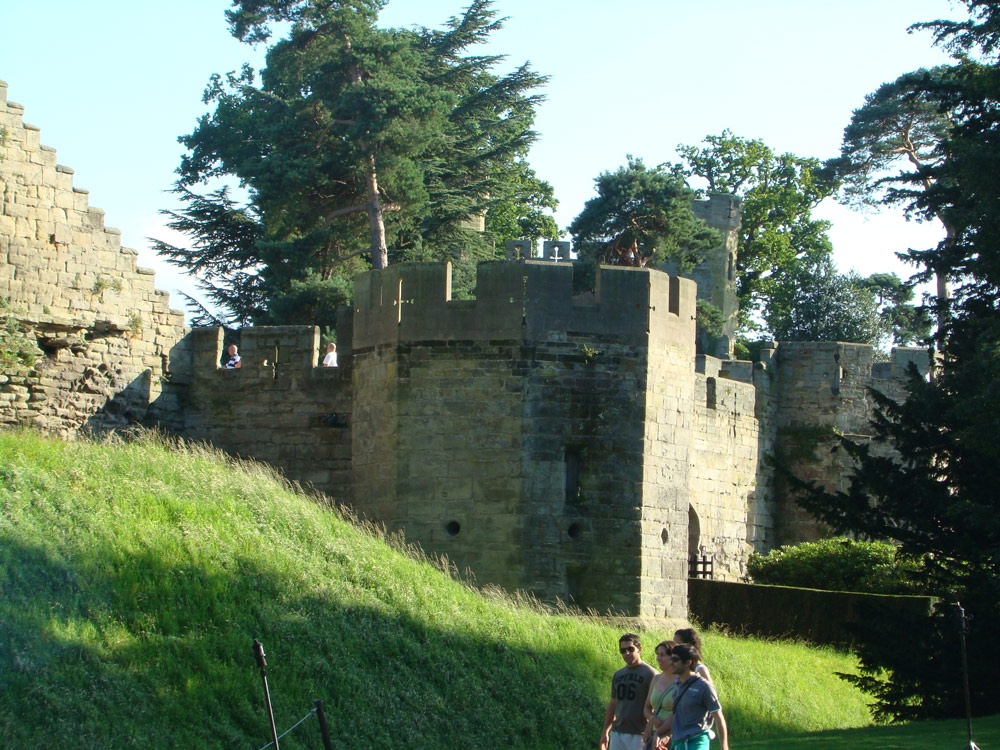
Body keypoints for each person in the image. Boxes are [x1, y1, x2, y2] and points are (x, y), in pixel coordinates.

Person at [664, 644, 728, 750]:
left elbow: (718, 717)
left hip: (697, 741)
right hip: (678, 742)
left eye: (675, 660)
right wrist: (663, 734)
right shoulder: (676, 685)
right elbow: (676, 714)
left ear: (688, 662)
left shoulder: (704, 686)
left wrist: (724, 746)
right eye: (671, 659)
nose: (671, 663)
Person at [600, 633, 657, 750]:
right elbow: (613, 704)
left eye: (630, 649)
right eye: (623, 650)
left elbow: (657, 706)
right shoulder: (618, 674)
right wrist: (605, 731)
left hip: (640, 733)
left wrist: (653, 731)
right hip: (618, 732)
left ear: (639, 649)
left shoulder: (651, 674)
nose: (626, 653)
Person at [643, 641, 676, 750]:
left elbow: (681, 712)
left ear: (673, 657)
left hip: (672, 734)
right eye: (657, 654)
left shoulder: (681, 682)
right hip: (654, 734)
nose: (658, 658)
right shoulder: (656, 679)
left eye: (662, 655)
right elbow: (647, 707)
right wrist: (652, 718)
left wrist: (665, 730)